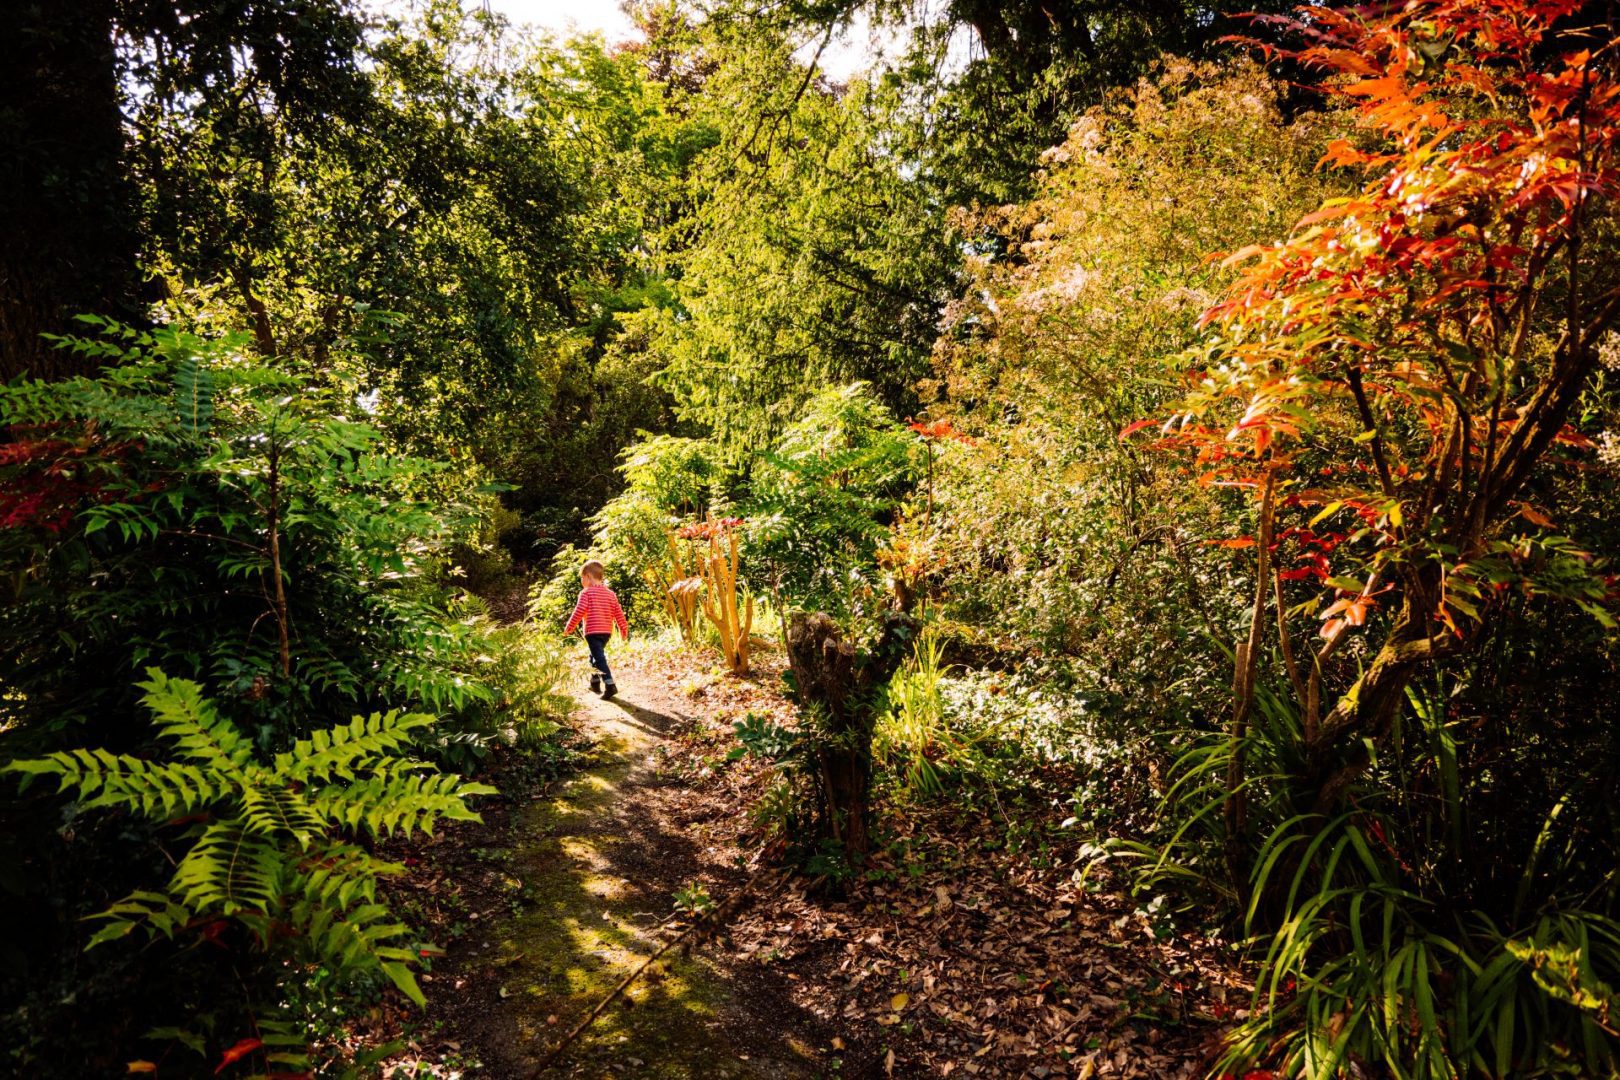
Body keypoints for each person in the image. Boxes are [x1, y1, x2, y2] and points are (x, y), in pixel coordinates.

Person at [563, 559, 628, 698]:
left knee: (599, 658)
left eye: (582, 577)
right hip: (606, 632)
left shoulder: (586, 593)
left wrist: (569, 627)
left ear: (588, 576)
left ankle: (610, 684)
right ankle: (594, 681)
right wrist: (623, 628)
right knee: (594, 656)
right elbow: (618, 613)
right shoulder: (611, 594)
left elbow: (579, 611)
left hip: (592, 632)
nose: (581, 580)